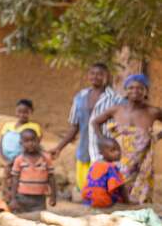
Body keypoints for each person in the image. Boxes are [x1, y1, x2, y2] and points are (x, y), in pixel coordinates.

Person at [49, 63, 123, 191]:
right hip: (84, 151)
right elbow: (74, 127)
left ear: (107, 76)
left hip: (105, 153)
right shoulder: (80, 97)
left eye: (100, 74)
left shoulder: (116, 99)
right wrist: (59, 147)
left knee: (104, 191)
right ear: (88, 76)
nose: (96, 77)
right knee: (85, 190)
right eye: (93, 73)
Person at [91, 74, 162, 204]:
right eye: (131, 88)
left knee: (141, 199)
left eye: (140, 88)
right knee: (118, 192)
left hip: (143, 164)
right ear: (126, 90)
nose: (135, 91)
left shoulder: (153, 112)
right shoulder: (116, 110)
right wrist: (102, 141)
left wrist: (156, 137)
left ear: (146, 91)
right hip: (120, 163)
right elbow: (95, 122)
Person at [1, 99, 41, 202]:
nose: (22, 114)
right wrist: (4, 158)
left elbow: (35, 145)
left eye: (26, 112)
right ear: (16, 111)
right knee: (7, 180)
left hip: (23, 160)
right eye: (20, 111)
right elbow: (1, 142)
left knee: (18, 180)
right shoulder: (7, 126)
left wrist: (18, 159)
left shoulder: (34, 127)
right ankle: (6, 201)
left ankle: (18, 201)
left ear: (31, 112)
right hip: (7, 160)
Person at [9, 128, 56, 213]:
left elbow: (51, 178)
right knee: (22, 221)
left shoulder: (46, 158)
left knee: (38, 221)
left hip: (39, 199)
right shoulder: (19, 160)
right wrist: (13, 199)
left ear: (38, 140)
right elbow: (15, 180)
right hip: (22, 198)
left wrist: (53, 196)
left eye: (33, 140)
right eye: (26, 141)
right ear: (21, 143)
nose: (30, 144)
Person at [82, 137, 129, 208]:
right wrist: (127, 201)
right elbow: (120, 187)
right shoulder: (111, 167)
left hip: (88, 201)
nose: (118, 153)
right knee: (119, 189)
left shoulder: (95, 165)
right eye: (113, 150)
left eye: (119, 150)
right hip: (104, 201)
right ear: (101, 153)